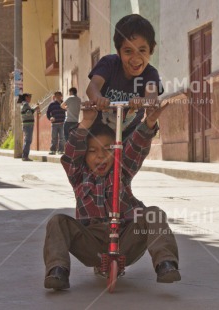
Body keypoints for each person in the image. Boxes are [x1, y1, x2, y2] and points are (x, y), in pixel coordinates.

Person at [43, 99, 180, 290]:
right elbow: (71, 153)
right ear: (85, 155)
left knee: (154, 213)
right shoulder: (79, 175)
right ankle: (57, 271)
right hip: (92, 243)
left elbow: (136, 147)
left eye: (108, 150)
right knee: (57, 221)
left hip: (126, 239)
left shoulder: (121, 170)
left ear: (116, 154)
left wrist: (148, 122)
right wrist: (86, 122)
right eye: (93, 151)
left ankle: (165, 264)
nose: (100, 156)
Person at [86, 14, 163, 140]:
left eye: (142, 51)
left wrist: (142, 100)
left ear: (151, 49)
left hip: (130, 136)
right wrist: (98, 99)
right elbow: (92, 87)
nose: (135, 58)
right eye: (128, 51)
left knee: (139, 148)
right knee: (87, 154)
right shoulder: (109, 63)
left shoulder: (150, 73)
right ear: (118, 51)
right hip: (100, 135)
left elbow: (151, 96)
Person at [20, 93, 39, 161]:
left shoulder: (24, 104)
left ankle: (25, 155)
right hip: (28, 125)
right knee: (28, 140)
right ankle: (25, 156)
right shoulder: (25, 104)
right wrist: (35, 108)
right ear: (26, 97)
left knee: (27, 140)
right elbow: (28, 113)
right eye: (29, 97)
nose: (30, 98)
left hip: (27, 124)